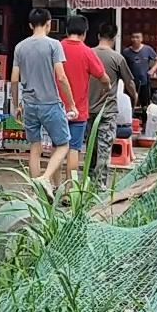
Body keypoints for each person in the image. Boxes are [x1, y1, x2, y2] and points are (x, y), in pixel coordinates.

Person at [9, 8, 78, 193]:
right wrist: (71, 103)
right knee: (63, 144)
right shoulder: (54, 45)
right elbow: (61, 77)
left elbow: (14, 79)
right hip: (50, 103)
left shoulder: (20, 47)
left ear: (30, 25)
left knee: (34, 147)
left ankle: (38, 191)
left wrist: (16, 105)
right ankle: (46, 178)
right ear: (49, 23)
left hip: (29, 103)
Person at [57, 15, 110, 187]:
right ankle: (70, 190)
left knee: (57, 148)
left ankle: (54, 188)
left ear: (66, 30)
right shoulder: (87, 52)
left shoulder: (56, 47)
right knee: (74, 149)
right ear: (85, 33)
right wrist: (106, 88)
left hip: (56, 108)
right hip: (78, 110)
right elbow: (103, 77)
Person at [88, 21, 137, 188]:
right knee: (104, 148)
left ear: (98, 36)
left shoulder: (88, 53)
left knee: (90, 148)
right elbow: (129, 83)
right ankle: (99, 185)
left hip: (87, 109)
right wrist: (135, 97)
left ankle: (87, 182)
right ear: (115, 37)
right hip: (107, 110)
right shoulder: (117, 58)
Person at [123, 31, 157, 112]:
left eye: (137, 37)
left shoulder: (147, 49)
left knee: (145, 105)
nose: (135, 39)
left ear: (142, 39)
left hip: (144, 81)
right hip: (130, 82)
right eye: (133, 37)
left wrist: (152, 70)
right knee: (130, 103)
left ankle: (144, 121)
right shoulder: (126, 52)